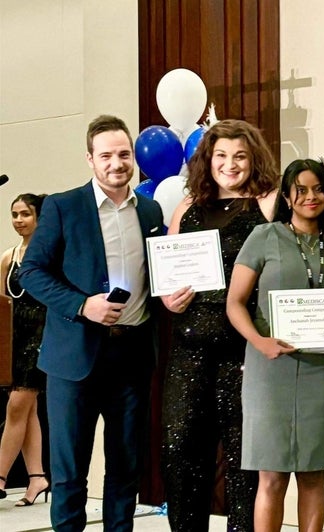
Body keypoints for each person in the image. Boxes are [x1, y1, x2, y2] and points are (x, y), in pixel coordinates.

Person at [18, 115, 164, 531]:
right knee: (69, 474)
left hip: (132, 356)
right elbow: (32, 272)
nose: (117, 163)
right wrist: (83, 305)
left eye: (124, 154)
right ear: (90, 159)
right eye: (106, 156)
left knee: (124, 470)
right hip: (73, 359)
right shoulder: (64, 207)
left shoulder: (150, 210)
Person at [160, 119, 280, 532]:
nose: (230, 165)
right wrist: (168, 299)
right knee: (181, 454)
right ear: (207, 160)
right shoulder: (186, 207)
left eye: (241, 156)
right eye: (222, 156)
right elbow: (167, 278)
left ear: (254, 160)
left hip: (243, 351)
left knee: (244, 459)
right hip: (188, 348)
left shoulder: (267, 204)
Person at [226, 158, 324, 532]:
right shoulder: (263, 237)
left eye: (317, 189)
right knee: (272, 475)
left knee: (314, 474)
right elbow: (234, 302)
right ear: (287, 196)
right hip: (270, 369)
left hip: (320, 370)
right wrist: (259, 341)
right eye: (301, 189)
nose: (310, 197)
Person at [0, 193, 49, 507]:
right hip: (14, 337)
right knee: (27, 410)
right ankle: (37, 478)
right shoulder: (8, 256)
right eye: (14, 214)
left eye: (25, 214)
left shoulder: (48, 254)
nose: (19, 220)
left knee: (17, 407)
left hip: (41, 335)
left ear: (38, 218)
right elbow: (2, 302)